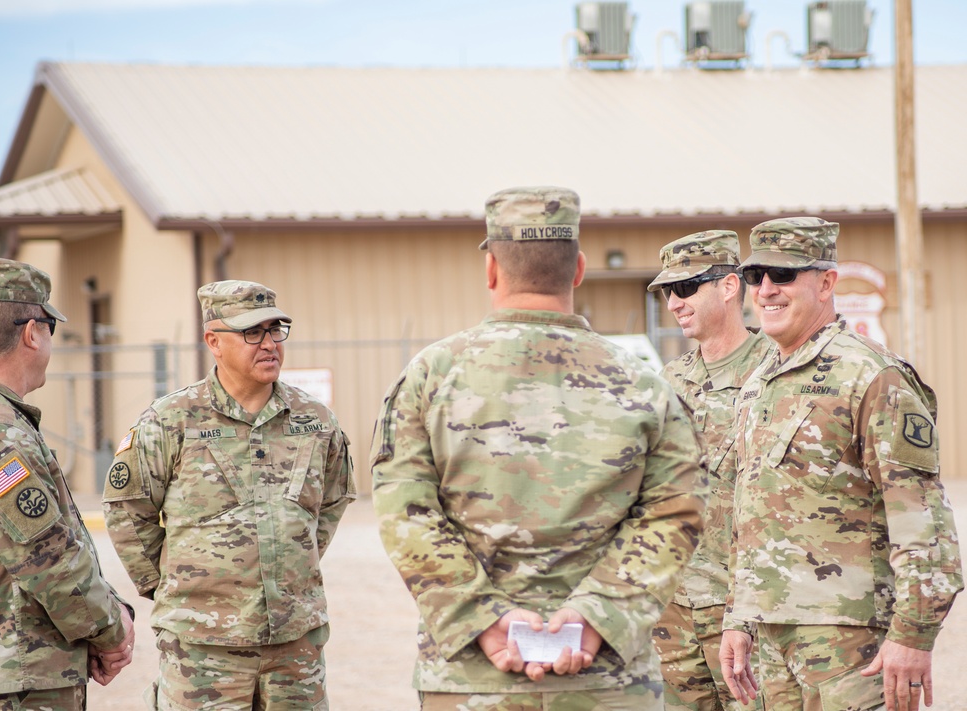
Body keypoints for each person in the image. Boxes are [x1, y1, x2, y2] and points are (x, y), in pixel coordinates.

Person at [370, 185, 708, 711]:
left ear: (491, 271)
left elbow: (403, 511)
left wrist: (483, 620)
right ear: (578, 270)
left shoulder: (431, 376)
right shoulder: (643, 383)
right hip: (606, 679)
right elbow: (677, 511)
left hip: (472, 679)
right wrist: (598, 617)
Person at [719, 217, 964, 711]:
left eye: (783, 275)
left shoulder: (872, 376)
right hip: (772, 639)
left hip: (853, 645)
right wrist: (739, 618)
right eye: (755, 277)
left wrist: (914, 637)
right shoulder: (761, 379)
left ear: (827, 282)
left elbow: (924, 523)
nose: (766, 290)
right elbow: (752, 511)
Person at [102, 280, 355, 710]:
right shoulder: (171, 421)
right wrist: (168, 585)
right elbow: (128, 510)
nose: (269, 343)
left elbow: (329, 504)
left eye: (276, 330)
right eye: (252, 333)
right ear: (213, 341)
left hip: (295, 647)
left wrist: (288, 563)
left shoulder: (315, 420)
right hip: (204, 651)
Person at [0, 258, 135, 710]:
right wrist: (111, 628)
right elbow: (48, 559)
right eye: (50, 327)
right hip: (11, 681)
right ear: (31, 332)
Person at [646, 231, 772, 711]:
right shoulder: (670, 380)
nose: (675, 303)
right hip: (675, 609)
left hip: (746, 609)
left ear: (729, 286)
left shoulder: (775, 371)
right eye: (667, 292)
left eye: (687, 287)